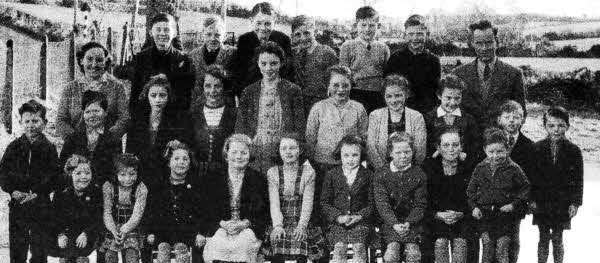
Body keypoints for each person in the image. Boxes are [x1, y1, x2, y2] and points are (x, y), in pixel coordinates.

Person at [0, 100, 60, 263]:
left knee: (40, 247)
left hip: (41, 205)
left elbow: (54, 176)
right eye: (27, 121)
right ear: (20, 122)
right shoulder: (14, 147)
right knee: (17, 247)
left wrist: (37, 193)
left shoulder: (49, 148)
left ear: (44, 123)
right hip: (18, 205)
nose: (31, 125)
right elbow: (3, 173)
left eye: (35, 121)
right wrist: (13, 191)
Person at [235, 42, 305, 174]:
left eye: (273, 63)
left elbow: (300, 124)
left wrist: (294, 147)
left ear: (281, 63)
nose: (268, 68)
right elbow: (241, 124)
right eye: (264, 63)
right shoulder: (249, 91)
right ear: (258, 63)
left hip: (283, 150)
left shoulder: (292, 90)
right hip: (256, 149)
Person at [202, 134, 269, 263]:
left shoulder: (258, 179)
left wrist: (244, 223)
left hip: (247, 228)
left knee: (243, 247)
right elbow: (206, 207)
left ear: (250, 155)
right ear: (226, 155)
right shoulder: (213, 177)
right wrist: (222, 223)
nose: (238, 156)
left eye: (244, 153)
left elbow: (262, 210)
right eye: (234, 152)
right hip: (221, 227)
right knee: (217, 246)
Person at [467, 128, 529, 263]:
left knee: (502, 247)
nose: (495, 156)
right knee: (487, 246)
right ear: (485, 150)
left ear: (507, 149)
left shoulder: (514, 169)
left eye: (500, 151)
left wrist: (513, 204)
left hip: (504, 215)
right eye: (491, 152)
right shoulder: (480, 168)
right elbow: (470, 191)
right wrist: (474, 207)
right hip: (485, 214)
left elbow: (525, 189)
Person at [530, 106, 583, 263]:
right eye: (551, 125)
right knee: (543, 237)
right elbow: (531, 177)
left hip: (562, 202)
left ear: (567, 125)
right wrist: (531, 200)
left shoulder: (574, 151)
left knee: (558, 237)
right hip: (542, 201)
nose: (556, 130)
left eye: (560, 125)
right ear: (545, 126)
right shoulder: (537, 148)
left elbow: (579, 179)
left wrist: (575, 203)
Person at [452, 20, 526, 129]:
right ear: (472, 44)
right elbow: (452, 110)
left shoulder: (513, 74)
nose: (484, 48)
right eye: (479, 43)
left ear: (497, 42)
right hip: (469, 140)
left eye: (488, 42)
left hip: (500, 140)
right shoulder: (459, 74)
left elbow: (521, 113)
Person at [306, 65, 368, 190]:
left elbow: (364, 137)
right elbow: (310, 138)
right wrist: (317, 161)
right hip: (323, 165)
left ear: (351, 85)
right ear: (328, 86)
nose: (341, 90)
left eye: (345, 85)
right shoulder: (318, 108)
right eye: (335, 85)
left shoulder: (358, 108)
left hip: (350, 165)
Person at [145, 142, 207, 263]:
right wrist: (150, 232)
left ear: (190, 164)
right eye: (176, 158)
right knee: (162, 249)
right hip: (163, 233)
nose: (181, 162)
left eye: (185, 159)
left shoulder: (196, 187)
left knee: (185, 251)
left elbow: (202, 213)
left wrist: (201, 233)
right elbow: (151, 211)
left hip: (187, 233)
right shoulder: (159, 186)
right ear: (169, 163)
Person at [267, 133, 324, 263]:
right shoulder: (273, 172)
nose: (288, 152)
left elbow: (308, 202)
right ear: (279, 151)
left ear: (300, 150)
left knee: (301, 242)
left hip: (302, 219)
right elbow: (274, 203)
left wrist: (302, 226)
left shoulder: (309, 172)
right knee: (277, 242)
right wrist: (277, 225)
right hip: (280, 219)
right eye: (283, 148)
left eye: (292, 148)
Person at [127, 74, 191, 189]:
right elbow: (130, 152)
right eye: (153, 95)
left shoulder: (176, 122)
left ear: (168, 97)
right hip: (140, 176)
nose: (158, 100)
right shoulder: (137, 121)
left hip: (164, 177)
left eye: (162, 95)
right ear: (147, 96)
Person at [56, 41, 129, 140]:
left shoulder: (117, 87)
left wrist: (106, 139)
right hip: (76, 146)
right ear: (82, 61)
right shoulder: (70, 88)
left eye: (99, 60)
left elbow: (124, 119)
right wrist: (76, 140)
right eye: (89, 59)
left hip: (108, 147)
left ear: (105, 62)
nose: (94, 64)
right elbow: (61, 120)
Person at [422, 129, 475, 263]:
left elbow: (474, 197)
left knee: (461, 243)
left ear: (461, 147)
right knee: (439, 242)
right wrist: (437, 214)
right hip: (435, 217)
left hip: (462, 216)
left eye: (455, 145)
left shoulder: (469, 167)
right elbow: (422, 199)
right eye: (446, 145)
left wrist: (461, 213)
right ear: (438, 147)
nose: (451, 149)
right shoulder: (428, 167)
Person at [374, 132, 427, 263]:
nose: (403, 156)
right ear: (390, 153)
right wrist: (394, 223)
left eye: (407, 152)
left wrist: (409, 222)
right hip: (389, 223)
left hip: (413, 223)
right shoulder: (381, 174)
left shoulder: (419, 174)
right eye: (398, 152)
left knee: (413, 253)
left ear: (413, 152)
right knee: (392, 253)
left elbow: (420, 204)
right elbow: (382, 204)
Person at [320, 135, 373, 263]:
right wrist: (338, 217)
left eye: (355, 155)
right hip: (338, 223)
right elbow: (324, 202)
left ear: (361, 155)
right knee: (339, 248)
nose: (350, 159)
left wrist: (359, 216)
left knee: (360, 248)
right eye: (346, 155)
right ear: (340, 155)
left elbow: (372, 204)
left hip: (360, 223)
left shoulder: (368, 175)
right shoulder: (332, 174)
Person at [129, 12, 195, 114]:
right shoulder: (141, 58)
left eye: (167, 30)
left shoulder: (183, 59)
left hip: (174, 115)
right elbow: (135, 93)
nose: (162, 34)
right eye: (158, 29)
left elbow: (186, 95)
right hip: (146, 115)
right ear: (151, 32)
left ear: (174, 33)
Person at [495, 100, 535, 263]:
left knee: (513, 236)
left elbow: (532, 176)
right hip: (494, 198)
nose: (512, 120)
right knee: (493, 239)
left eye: (516, 117)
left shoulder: (530, 146)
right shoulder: (491, 143)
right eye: (507, 117)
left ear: (523, 119)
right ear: (499, 120)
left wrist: (530, 200)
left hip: (516, 200)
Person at [60, 91, 122, 190]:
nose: (92, 115)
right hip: (75, 191)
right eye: (87, 112)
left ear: (105, 112)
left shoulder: (114, 140)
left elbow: (114, 172)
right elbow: (62, 168)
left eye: (96, 111)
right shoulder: (72, 138)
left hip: (101, 192)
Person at [231, 2, 294, 97]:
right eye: (258, 23)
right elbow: (240, 72)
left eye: (267, 23)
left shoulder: (283, 39)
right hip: (251, 93)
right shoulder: (244, 40)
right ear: (251, 21)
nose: (263, 28)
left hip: (277, 92)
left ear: (275, 22)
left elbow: (287, 72)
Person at [49, 155, 103, 263]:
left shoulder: (96, 192)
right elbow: (54, 217)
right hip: (67, 233)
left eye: (87, 173)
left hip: (87, 233)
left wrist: (86, 233)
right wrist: (60, 234)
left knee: (81, 258)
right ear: (70, 174)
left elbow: (97, 217)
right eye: (78, 173)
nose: (84, 177)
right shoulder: (61, 193)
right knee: (65, 255)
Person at [367, 75, 427, 170]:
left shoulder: (416, 117)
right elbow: (371, 148)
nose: (393, 100)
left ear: (406, 94)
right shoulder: (375, 116)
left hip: (410, 171)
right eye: (389, 96)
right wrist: (384, 171)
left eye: (398, 95)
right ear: (384, 97)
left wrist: (409, 170)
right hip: (381, 172)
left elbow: (420, 150)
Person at [384, 14, 441, 114]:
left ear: (426, 34)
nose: (415, 38)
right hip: (399, 110)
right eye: (410, 34)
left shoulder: (433, 60)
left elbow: (436, 91)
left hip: (426, 111)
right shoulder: (395, 58)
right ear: (405, 35)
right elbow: (387, 88)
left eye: (419, 34)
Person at [339, 6, 390, 113]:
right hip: (355, 93)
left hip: (377, 95)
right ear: (356, 26)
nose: (367, 29)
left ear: (378, 26)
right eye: (363, 25)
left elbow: (387, 74)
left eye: (372, 25)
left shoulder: (383, 48)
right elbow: (343, 75)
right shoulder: (347, 46)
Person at [99, 154, 149, 263]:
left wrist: (125, 229)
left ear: (137, 173)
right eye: (122, 174)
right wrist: (113, 230)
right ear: (115, 173)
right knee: (109, 256)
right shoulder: (108, 186)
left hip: (131, 227)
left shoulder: (141, 188)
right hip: (113, 227)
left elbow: (137, 213)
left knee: (132, 256)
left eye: (132, 174)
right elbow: (107, 212)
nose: (128, 178)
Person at [190, 65, 237, 174]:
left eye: (217, 86)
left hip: (225, 174)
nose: (212, 91)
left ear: (224, 87)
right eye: (208, 86)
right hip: (197, 175)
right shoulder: (193, 114)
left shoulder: (234, 114)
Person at [424, 74, 480, 162]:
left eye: (457, 98)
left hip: (462, 165)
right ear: (439, 95)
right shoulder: (429, 118)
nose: (452, 103)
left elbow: (474, 145)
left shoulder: (468, 119)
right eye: (448, 98)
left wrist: (467, 155)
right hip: (435, 165)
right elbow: (425, 145)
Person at [290, 15, 339, 115]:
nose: (303, 38)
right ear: (293, 37)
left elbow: (336, 81)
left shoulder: (327, 53)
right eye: (298, 35)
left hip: (321, 103)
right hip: (299, 104)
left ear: (315, 33)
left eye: (307, 33)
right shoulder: (294, 54)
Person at [189, 16, 237, 105]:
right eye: (208, 34)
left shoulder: (233, 54)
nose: (213, 38)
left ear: (225, 36)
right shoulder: (193, 55)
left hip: (225, 105)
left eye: (217, 35)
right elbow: (192, 84)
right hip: (200, 105)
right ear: (202, 35)